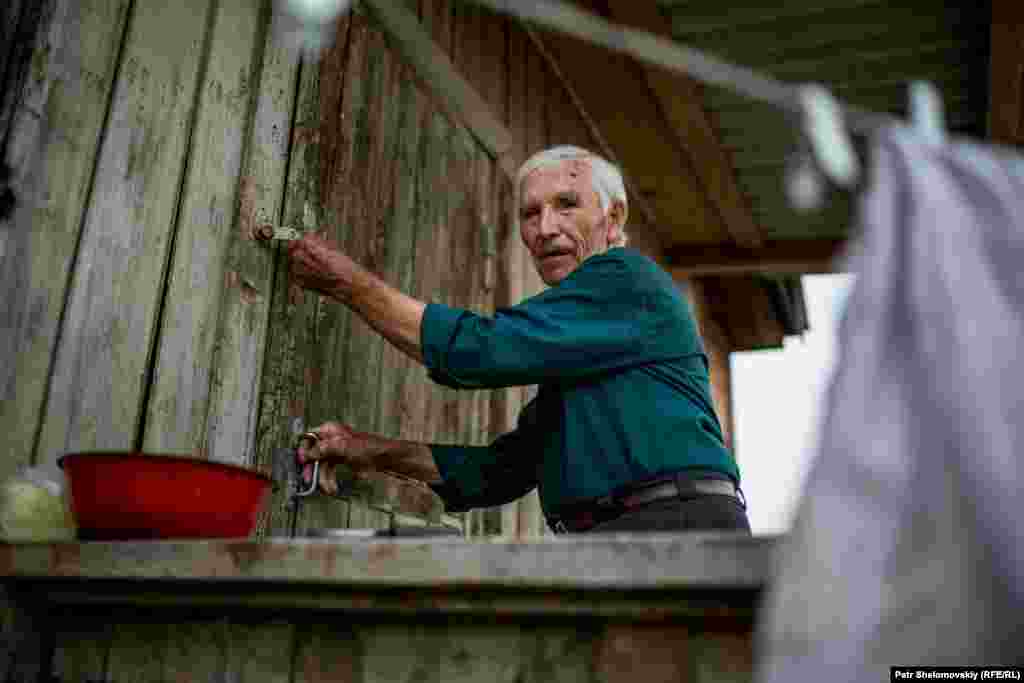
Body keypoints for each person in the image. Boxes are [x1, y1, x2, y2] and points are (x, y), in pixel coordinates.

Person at [290, 145, 750, 534]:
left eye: (566, 204)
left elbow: (479, 351)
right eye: (531, 214)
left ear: (613, 219)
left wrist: (345, 283)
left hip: (672, 526)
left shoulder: (627, 279)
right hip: (625, 537)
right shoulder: (583, 345)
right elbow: (500, 472)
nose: (545, 228)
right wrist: (363, 448)